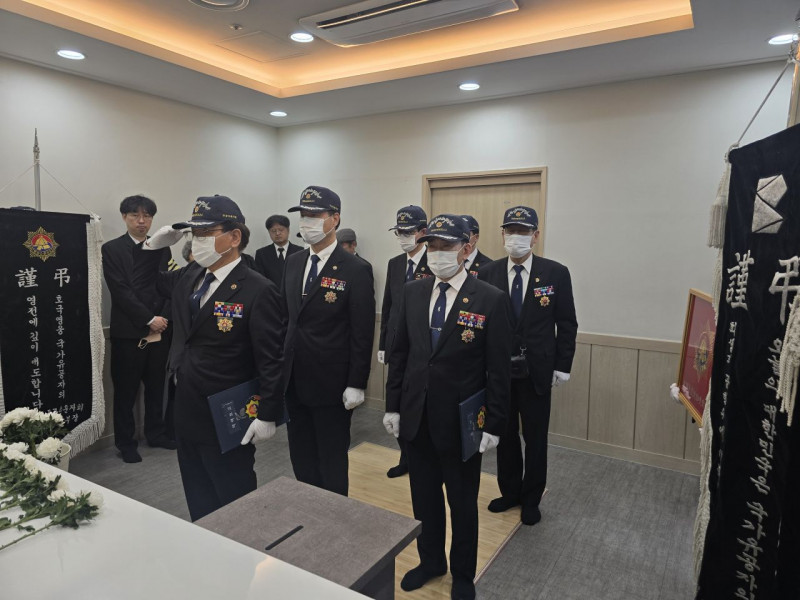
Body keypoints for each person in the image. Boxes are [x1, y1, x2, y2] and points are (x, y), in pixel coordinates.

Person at [384, 214, 511, 600]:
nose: (437, 253)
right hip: (417, 418)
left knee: (462, 503)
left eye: (446, 246)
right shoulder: (413, 292)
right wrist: (392, 406)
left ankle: (462, 574)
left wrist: (495, 424)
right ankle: (431, 562)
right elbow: (400, 354)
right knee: (424, 499)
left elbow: (498, 370)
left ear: (466, 248)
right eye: (432, 246)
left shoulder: (490, 298)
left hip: (461, 423)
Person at [145, 195, 285, 521]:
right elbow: (144, 283)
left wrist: (268, 414)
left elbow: (271, 358)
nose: (198, 241)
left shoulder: (258, 289)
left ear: (234, 237)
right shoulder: (191, 276)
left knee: (233, 498)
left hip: (227, 409)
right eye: (195, 233)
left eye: (206, 233)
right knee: (197, 493)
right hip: (186, 403)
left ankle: (241, 550)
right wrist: (152, 249)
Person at [477, 206, 577, 526]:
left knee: (535, 439)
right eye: (511, 231)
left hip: (537, 371)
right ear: (502, 235)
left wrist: (563, 365)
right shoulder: (488, 273)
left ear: (535, 235)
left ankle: (532, 498)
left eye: (523, 231)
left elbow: (567, 323)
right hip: (499, 373)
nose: (516, 237)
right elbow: (481, 324)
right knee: (504, 436)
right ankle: (510, 492)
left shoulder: (555, 273)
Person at [281, 186, 376, 496]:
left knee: (331, 461)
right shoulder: (294, 262)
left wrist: (357, 383)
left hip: (332, 384)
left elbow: (362, 331)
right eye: (303, 215)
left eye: (314, 215)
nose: (306, 221)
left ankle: (335, 518)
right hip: (294, 381)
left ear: (335, 219)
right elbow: (287, 319)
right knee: (302, 458)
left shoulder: (356, 269)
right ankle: (309, 512)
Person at [102, 194, 176, 464]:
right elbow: (120, 291)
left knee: (156, 387)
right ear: (124, 217)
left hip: (161, 330)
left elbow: (168, 286)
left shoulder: (162, 248)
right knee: (126, 391)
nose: (142, 221)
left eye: (147, 216)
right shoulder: (112, 249)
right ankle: (125, 443)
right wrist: (148, 319)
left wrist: (162, 318)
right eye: (135, 215)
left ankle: (156, 433)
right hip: (128, 333)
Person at [378, 205, 430, 478]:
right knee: (395, 402)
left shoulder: (434, 261)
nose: (403, 237)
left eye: (408, 232)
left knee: (417, 405)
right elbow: (388, 306)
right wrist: (383, 343)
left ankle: (418, 456)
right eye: (399, 232)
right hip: (397, 345)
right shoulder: (395, 264)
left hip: (422, 347)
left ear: (423, 232)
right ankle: (405, 456)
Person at [254, 214, 302, 287]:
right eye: (273, 231)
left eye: (281, 230)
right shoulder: (261, 254)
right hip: (270, 293)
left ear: (288, 230)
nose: (277, 233)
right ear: (269, 232)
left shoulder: (300, 251)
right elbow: (260, 280)